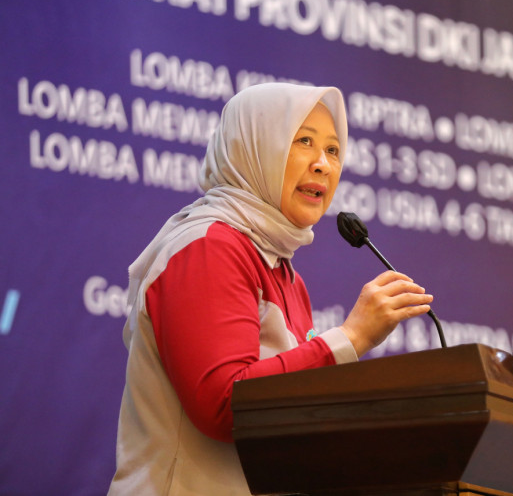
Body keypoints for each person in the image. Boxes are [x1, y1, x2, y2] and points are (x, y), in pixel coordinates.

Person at [109, 83, 434, 495]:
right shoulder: (210, 246)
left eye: (333, 150)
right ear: (255, 146)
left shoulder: (287, 276)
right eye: (304, 141)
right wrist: (351, 338)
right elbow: (224, 405)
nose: (323, 164)